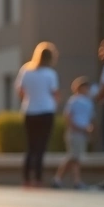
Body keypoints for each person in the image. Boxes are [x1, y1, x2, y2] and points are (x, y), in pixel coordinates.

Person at [16, 42, 60, 187]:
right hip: (46, 111)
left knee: (31, 146)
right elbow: (54, 94)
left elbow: (20, 91)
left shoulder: (26, 70)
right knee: (41, 146)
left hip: (30, 111)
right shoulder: (50, 74)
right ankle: (38, 178)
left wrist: (29, 99)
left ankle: (26, 178)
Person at [52, 77, 94, 190]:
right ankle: (76, 181)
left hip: (83, 133)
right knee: (74, 157)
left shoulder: (89, 102)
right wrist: (74, 127)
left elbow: (89, 119)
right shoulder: (74, 100)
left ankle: (58, 179)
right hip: (74, 132)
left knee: (75, 157)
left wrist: (89, 131)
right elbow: (68, 116)